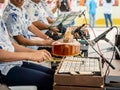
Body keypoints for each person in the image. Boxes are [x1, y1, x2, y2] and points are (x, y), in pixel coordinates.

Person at [0, 16, 54, 90]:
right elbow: (21, 40)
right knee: (48, 81)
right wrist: (30, 55)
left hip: (13, 62)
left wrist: (35, 52)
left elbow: (9, 44)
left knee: (54, 74)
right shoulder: (11, 13)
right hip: (3, 68)